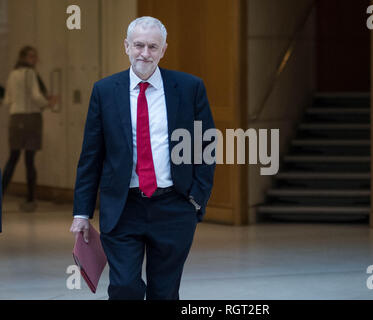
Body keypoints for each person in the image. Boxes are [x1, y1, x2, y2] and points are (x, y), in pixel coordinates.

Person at [70, 16, 215, 300]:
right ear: (126, 46)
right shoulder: (105, 91)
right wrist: (81, 213)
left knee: (165, 291)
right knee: (124, 287)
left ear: (163, 50)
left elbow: (206, 145)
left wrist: (197, 198)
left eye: (152, 47)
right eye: (138, 45)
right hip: (123, 207)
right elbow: (91, 155)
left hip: (174, 206)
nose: (145, 54)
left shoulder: (189, 88)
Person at [1, 46, 57, 212]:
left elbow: (7, 99)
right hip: (31, 118)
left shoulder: (12, 74)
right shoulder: (30, 73)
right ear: (24, 57)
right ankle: (30, 199)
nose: (34, 59)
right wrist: (48, 103)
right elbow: (35, 96)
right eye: (32, 56)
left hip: (15, 118)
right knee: (29, 160)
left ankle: (1, 195)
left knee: (12, 158)